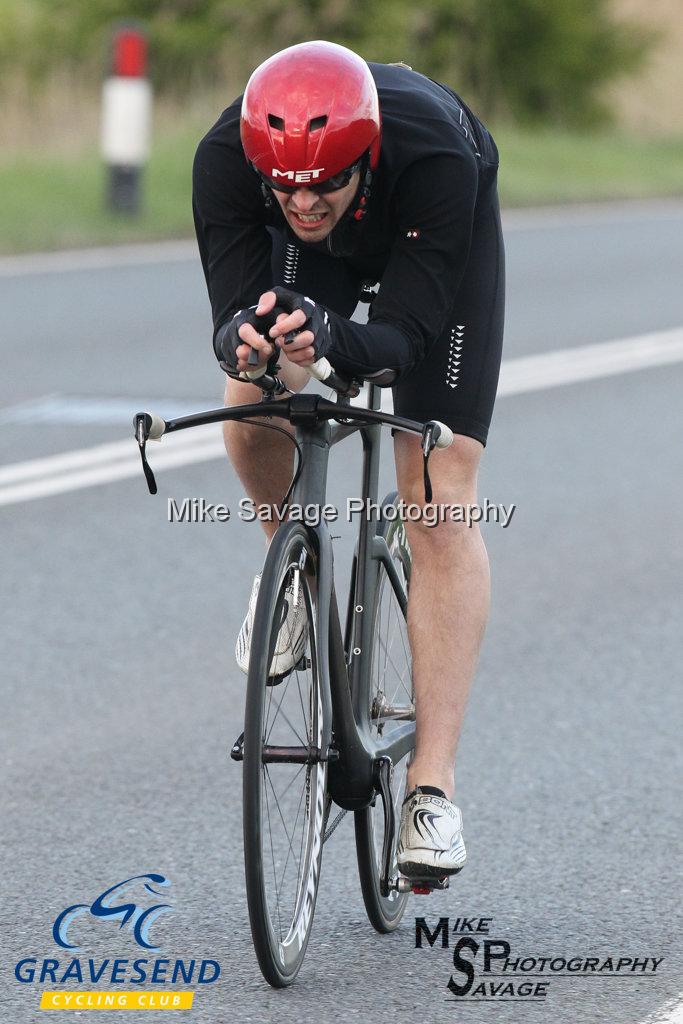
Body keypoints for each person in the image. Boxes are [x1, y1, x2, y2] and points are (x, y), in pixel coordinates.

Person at [192, 40, 505, 880]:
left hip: (428, 221)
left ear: (361, 157)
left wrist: (333, 337)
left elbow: (400, 341)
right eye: (285, 186)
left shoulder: (434, 158)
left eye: (326, 181)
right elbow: (228, 313)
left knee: (436, 487)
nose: (305, 201)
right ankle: (287, 565)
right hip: (324, 256)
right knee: (252, 384)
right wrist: (250, 336)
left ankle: (431, 791)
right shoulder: (227, 159)